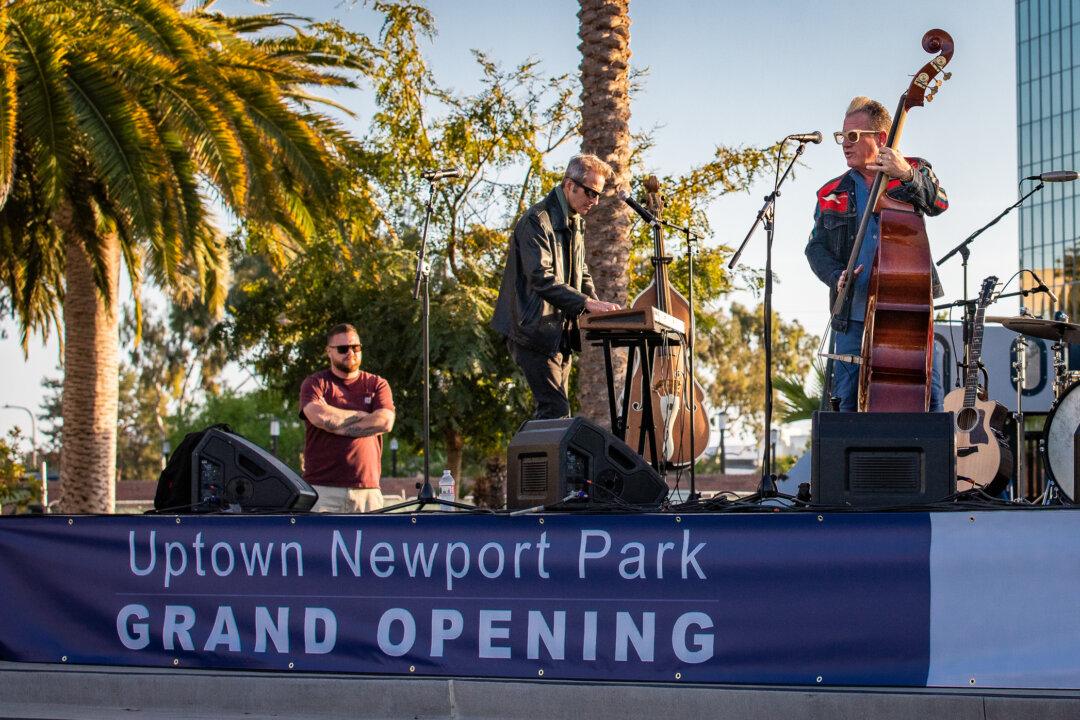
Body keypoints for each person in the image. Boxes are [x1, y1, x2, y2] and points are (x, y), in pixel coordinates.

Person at [805, 96, 950, 412]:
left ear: (881, 139)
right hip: (851, 318)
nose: (845, 144)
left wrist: (908, 175)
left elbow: (939, 202)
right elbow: (814, 248)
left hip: (907, 316)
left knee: (930, 401)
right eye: (842, 137)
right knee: (846, 406)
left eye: (853, 136)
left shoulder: (912, 170)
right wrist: (836, 275)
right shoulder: (831, 192)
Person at [491, 153, 620, 419]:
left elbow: (581, 272)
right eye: (590, 192)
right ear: (569, 184)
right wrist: (587, 304)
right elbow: (541, 278)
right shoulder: (536, 221)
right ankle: (523, 461)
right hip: (532, 331)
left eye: (598, 195)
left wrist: (596, 305)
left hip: (558, 333)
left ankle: (544, 461)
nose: (594, 201)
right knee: (555, 409)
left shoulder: (575, 222)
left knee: (557, 414)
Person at [299, 323, 395, 512]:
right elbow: (318, 417)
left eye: (355, 347)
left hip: (367, 490)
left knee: (371, 542)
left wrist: (335, 421)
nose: (350, 352)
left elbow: (385, 421)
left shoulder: (377, 384)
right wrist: (363, 416)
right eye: (343, 349)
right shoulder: (315, 383)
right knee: (319, 542)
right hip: (322, 490)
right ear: (329, 351)